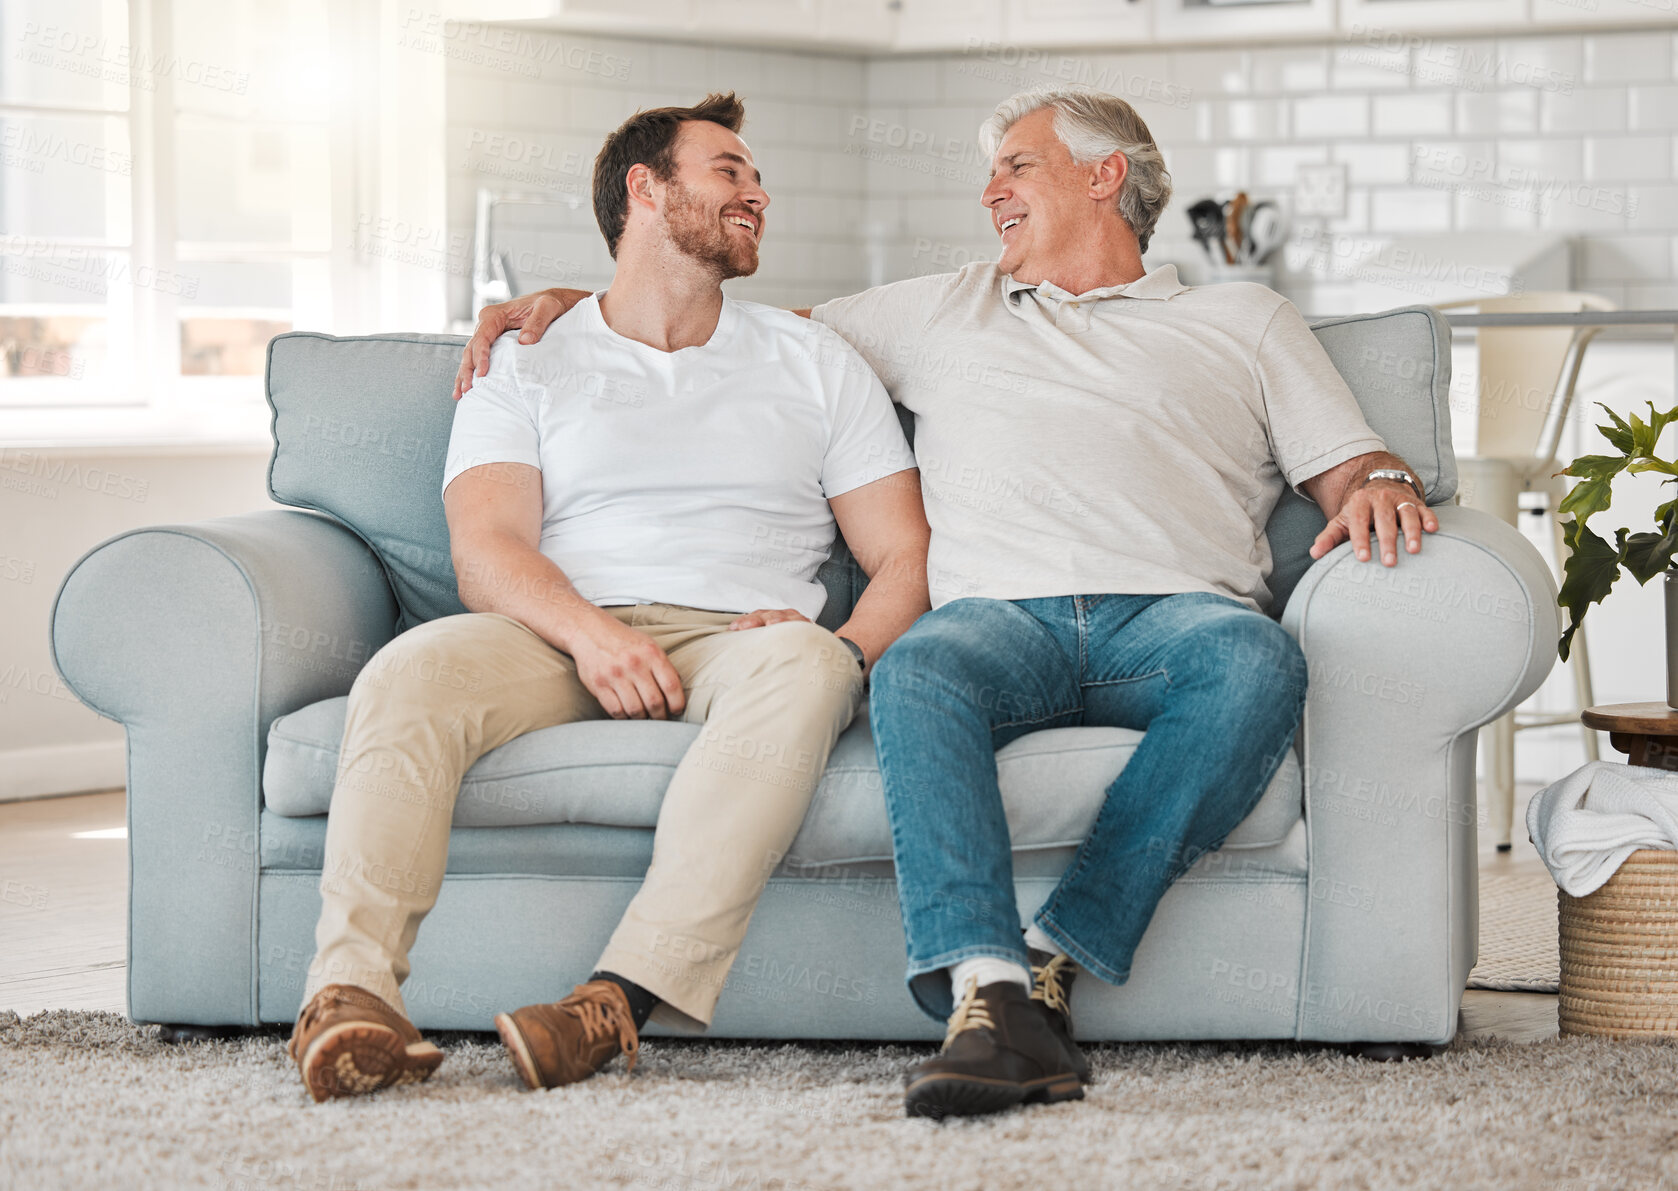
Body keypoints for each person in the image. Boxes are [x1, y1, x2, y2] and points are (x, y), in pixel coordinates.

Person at [455, 86, 1439, 1120]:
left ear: (1103, 176)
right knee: (916, 665)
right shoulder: (940, 307)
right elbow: (733, 327)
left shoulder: (1243, 320)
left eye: (1016, 166)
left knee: (1259, 661)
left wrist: (1384, 481)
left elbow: (1352, 467)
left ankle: (1053, 957)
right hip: (993, 625)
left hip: (1174, 618)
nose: (990, 192)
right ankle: (988, 990)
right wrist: (578, 301)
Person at [287, 92, 928, 1103]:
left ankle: (611, 1005)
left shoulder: (815, 359)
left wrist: (843, 649)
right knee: (410, 671)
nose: (757, 193)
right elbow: (487, 547)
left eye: (759, 178)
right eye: (729, 171)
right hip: (554, 629)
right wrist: (590, 636)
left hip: (745, 641)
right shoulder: (527, 354)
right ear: (645, 187)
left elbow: (904, 559)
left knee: (809, 662)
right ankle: (350, 997)